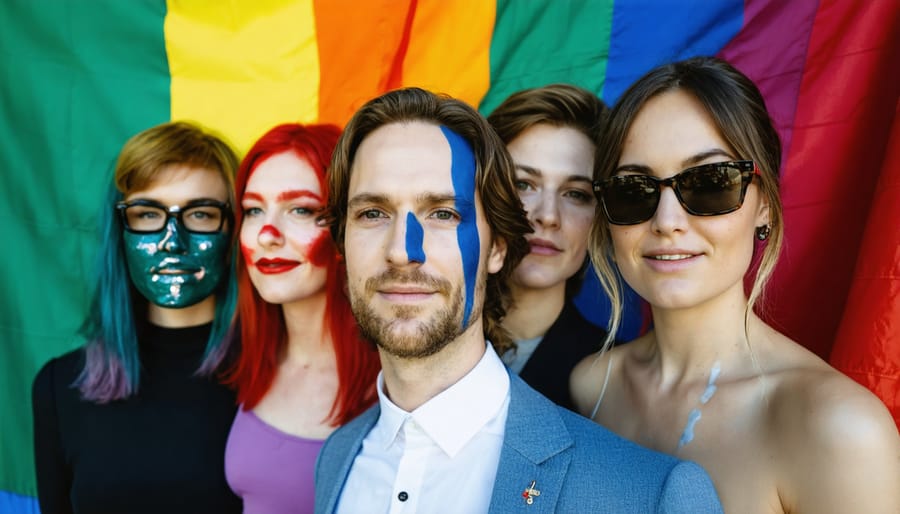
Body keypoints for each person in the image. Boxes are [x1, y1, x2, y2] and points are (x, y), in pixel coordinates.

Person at [314, 87, 723, 513]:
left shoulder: (650, 487)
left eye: (444, 213)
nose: (402, 250)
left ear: (498, 244)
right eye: (372, 213)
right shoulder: (338, 458)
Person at [570, 56, 900, 513]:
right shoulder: (591, 387)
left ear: (764, 206)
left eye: (710, 183)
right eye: (633, 189)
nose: (667, 221)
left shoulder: (838, 428)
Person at [31, 121, 243, 513]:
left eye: (201, 214)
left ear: (234, 231)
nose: (173, 241)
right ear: (121, 232)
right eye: (148, 214)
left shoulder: (278, 381)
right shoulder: (60, 388)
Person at [223, 123, 380, 514]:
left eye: (301, 210)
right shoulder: (240, 358)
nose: (267, 234)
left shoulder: (395, 382)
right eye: (253, 210)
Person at [487, 84, 610, 410]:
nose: (548, 216)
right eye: (523, 184)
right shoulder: (423, 338)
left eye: (576, 194)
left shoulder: (616, 379)